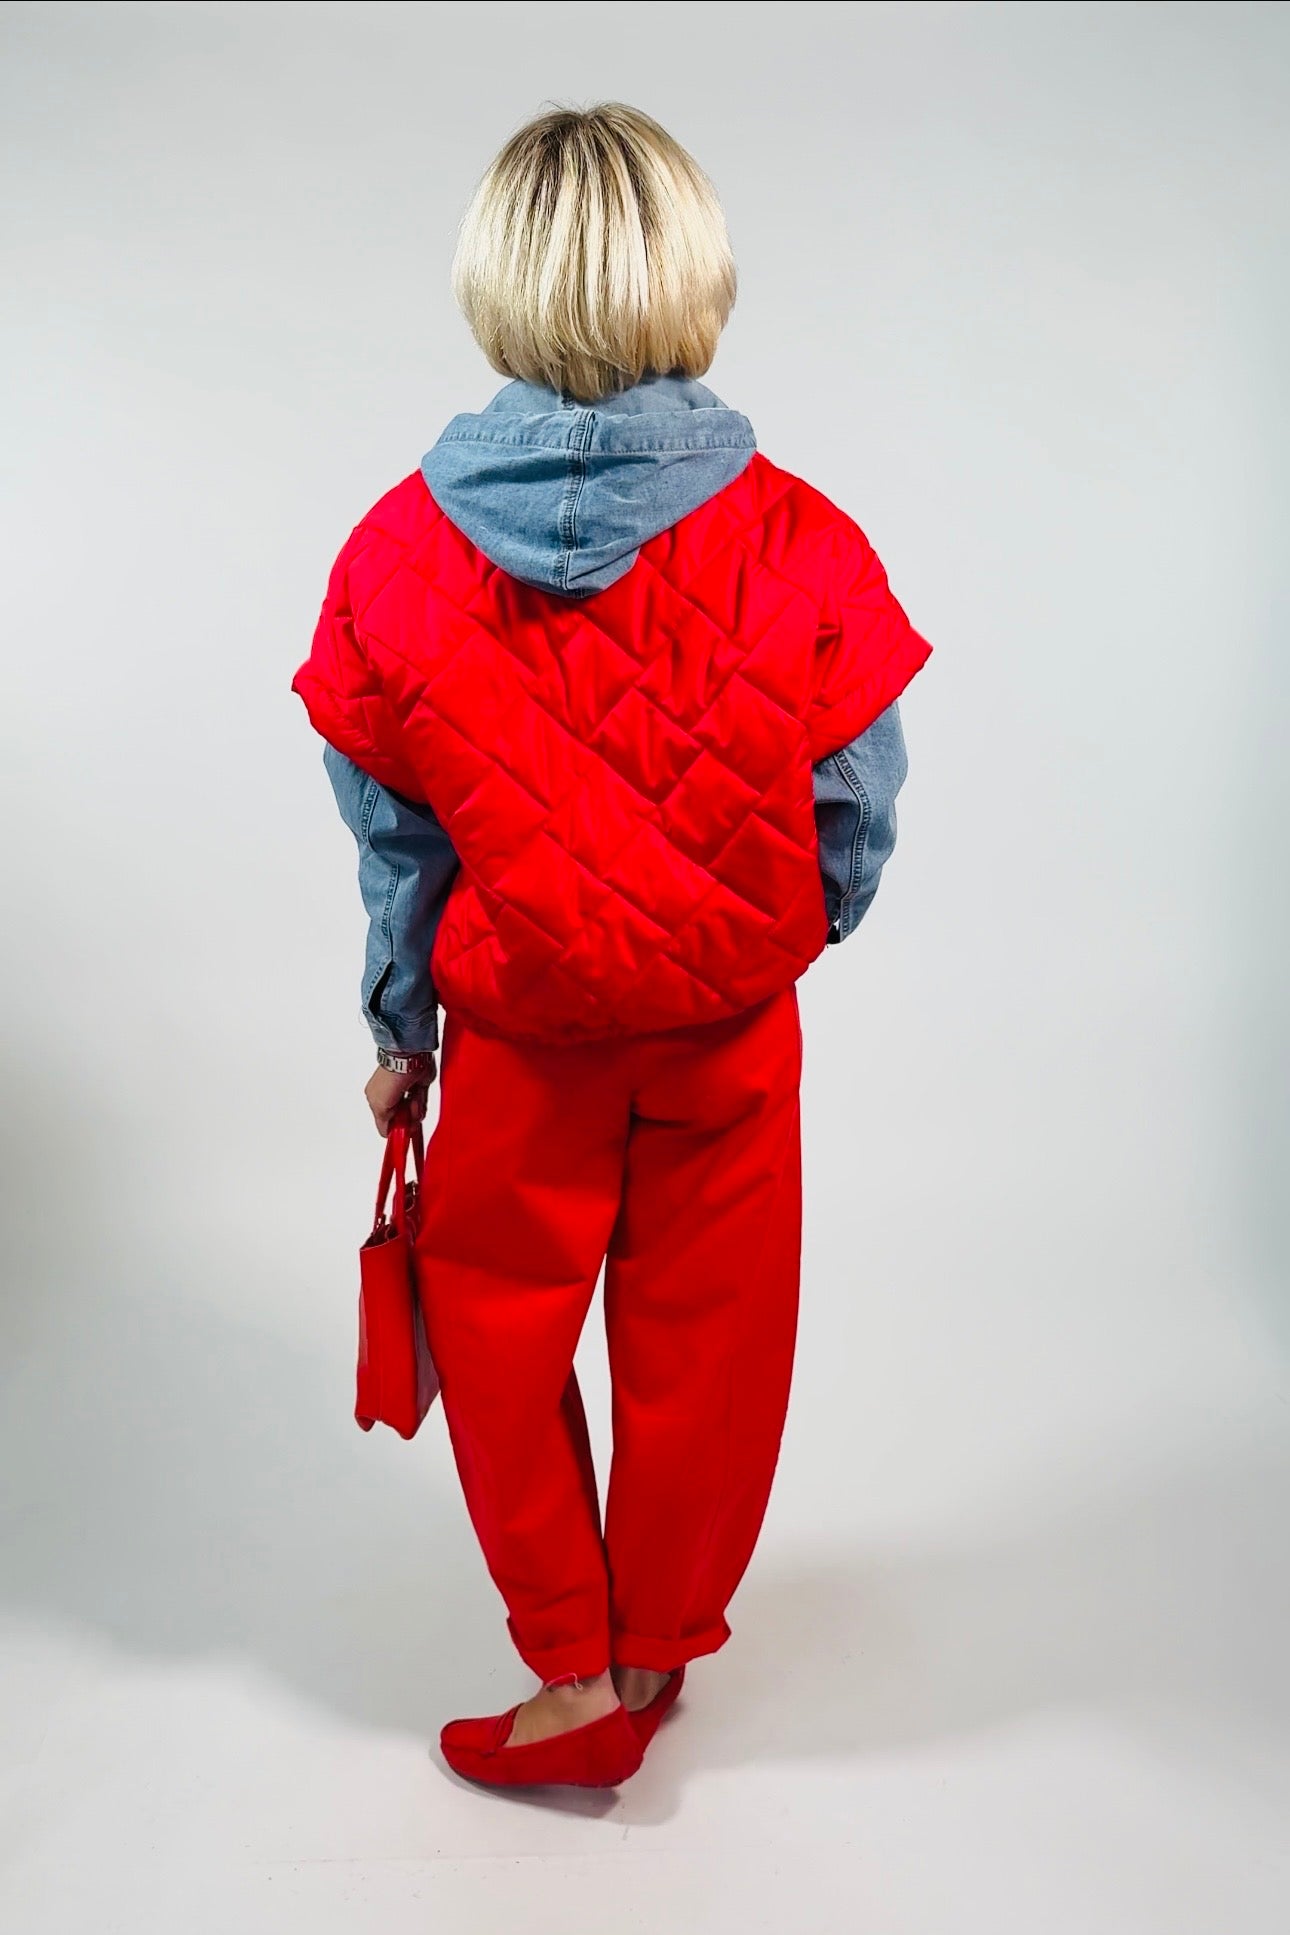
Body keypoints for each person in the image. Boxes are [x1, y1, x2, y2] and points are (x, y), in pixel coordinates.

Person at [292, 102, 931, 1792]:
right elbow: (855, 802)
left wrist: (399, 1026)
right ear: (692, 273)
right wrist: (761, 933)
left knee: (499, 1338)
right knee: (712, 1345)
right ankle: (656, 1650)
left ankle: (570, 1676)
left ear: (493, 281)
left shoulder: (394, 552)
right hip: (727, 1037)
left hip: (520, 1038)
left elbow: (395, 840)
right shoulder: (800, 538)